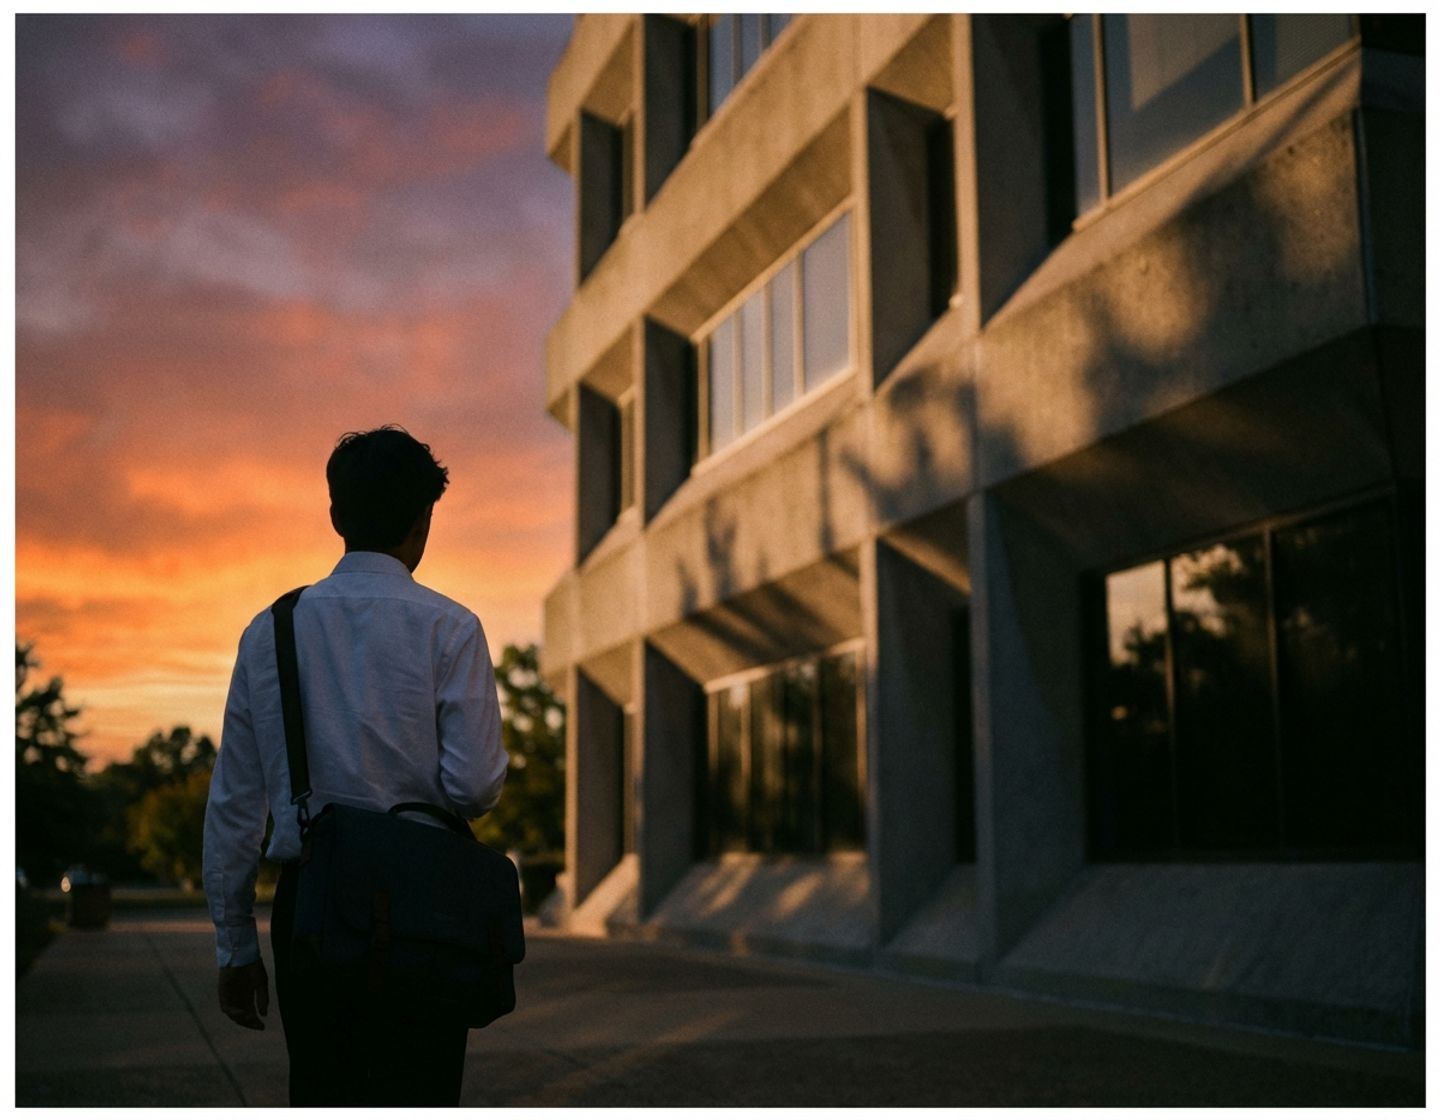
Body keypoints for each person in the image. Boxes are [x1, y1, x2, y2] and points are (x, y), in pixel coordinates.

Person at [202, 425, 508, 1106]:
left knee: (323, 1091)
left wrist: (236, 947)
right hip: (427, 906)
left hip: (312, 905)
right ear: (423, 520)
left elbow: (235, 806)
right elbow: (476, 785)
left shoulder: (271, 629)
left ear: (336, 515)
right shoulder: (451, 627)